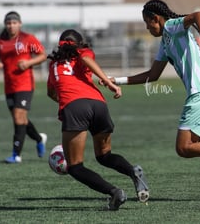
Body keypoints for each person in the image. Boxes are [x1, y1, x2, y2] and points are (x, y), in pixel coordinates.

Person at [102, 0, 200, 202]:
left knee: (183, 148)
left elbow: (198, 15)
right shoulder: (165, 42)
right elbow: (153, 75)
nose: (147, 28)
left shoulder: (172, 27)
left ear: (156, 18)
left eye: (148, 23)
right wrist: (118, 80)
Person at [47, 29, 149, 211]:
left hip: (75, 108)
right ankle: (133, 171)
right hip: (98, 105)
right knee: (104, 155)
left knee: (75, 167)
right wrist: (109, 83)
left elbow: (51, 93)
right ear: (80, 44)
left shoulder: (54, 65)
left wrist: (66, 103)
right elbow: (86, 59)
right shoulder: (84, 52)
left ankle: (114, 192)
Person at [0, 11, 47, 163]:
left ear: (20, 24)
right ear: (5, 25)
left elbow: (42, 55)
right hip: (9, 87)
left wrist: (28, 63)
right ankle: (39, 138)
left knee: (18, 116)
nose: (11, 26)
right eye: (8, 23)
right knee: (21, 119)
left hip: (25, 84)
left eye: (14, 23)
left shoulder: (28, 38)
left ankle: (16, 155)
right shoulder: (0, 42)